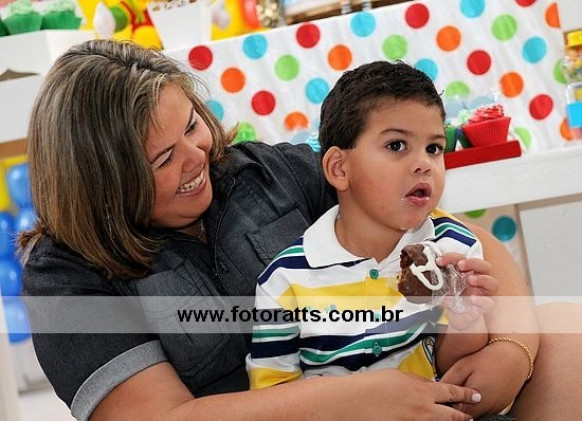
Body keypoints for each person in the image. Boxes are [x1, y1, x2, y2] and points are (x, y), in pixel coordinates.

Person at [17, 38, 579, 421]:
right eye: (163, 158)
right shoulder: (65, 276)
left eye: (192, 126)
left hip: (415, 396)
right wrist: (348, 401)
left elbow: (470, 242)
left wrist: (512, 351)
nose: (196, 156)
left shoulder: (271, 175)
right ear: (102, 184)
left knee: (566, 327)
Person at [246, 61, 496, 389]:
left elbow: (452, 369)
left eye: (434, 148)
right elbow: (274, 396)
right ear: (339, 168)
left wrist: (467, 320)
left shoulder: (451, 246)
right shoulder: (284, 280)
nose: (424, 164)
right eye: (396, 145)